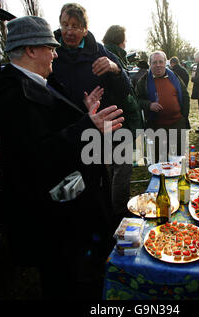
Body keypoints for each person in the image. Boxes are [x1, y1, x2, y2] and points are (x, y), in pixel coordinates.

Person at [0, 16, 124, 299]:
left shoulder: (35, 82)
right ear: (31, 50)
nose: (56, 54)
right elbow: (35, 155)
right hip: (50, 218)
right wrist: (87, 126)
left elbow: (53, 124)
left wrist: (85, 114)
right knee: (64, 281)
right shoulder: (14, 94)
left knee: (77, 272)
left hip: (66, 208)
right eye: (51, 47)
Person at [51, 3, 132, 234]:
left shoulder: (98, 51)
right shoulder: (52, 52)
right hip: (68, 132)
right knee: (72, 186)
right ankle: (77, 235)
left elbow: (126, 89)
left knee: (99, 183)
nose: (69, 31)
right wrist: (82, 109)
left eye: (76, 26)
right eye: (65, 25)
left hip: (100, 130)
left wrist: (115, 68)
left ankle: (106, 230)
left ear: (85, 29)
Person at [102, 24, 144, 222]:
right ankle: (119, 211)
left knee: (111, 168)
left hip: (109, 124)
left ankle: (111, 207)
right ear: (121, 41)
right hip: (120, 123)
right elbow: (125, 96)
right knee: (122, 170)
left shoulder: (102, 54)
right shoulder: (114, 58)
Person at [135, 51, 190, 162]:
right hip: (156, 127)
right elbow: (136, 100)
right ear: (150, 64)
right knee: (159, 161)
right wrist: (149, 105)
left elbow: (185, 96)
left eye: (161, 62)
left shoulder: (174, 77)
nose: (158, 65)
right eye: (155, 62)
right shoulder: (143, 81)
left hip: (177, 125)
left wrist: (184, 117)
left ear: (166, 63)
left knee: (179, 159)